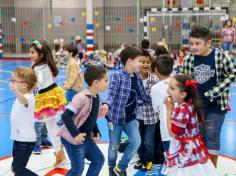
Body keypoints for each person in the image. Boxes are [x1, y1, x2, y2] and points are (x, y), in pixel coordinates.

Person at [179, 26, 236, 167]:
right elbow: (182, 80)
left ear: (208, 43)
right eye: (191, 43)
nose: (193, 47)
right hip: (196, 106)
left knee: (212, 135)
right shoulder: (188, 59)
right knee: (201, 137)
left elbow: (232, 75)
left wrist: (214, 92)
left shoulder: (221, 57)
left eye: (197, 43)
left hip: (216, 106)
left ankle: (211, 169)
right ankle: (203, 168)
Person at [102, 46, 151, 176]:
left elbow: (143, 95)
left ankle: (121, 167)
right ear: (130, 61)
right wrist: (106, 104)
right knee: (114, 146)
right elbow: (111, 94)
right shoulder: (116, 76)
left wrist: (157, 97)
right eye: (139, 61)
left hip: (130, 118)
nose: (141, 64)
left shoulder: (137, 77)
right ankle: (111, 168)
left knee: (136, 141)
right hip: (115, 119)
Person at [161, 74, 217, 176]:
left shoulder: (182, 108)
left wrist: (169, 109)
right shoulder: (191, 104)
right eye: (168, 86)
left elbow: (173, 133)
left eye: (172, 88)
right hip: (194, 144)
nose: (168, 90)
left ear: (183, 94)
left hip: (185, 148)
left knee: (184, 171)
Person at [57, 65, 108, 176]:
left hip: (86, 138)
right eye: (106, 80)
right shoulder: (81, 97)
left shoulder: (97, 97)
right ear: (96, 82)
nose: (108, 83)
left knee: (98, 160)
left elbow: (91, 117)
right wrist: (76, 135)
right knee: (77, 171)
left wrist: (96, 132)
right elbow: (65, 116)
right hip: (73, 139)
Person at [30, 40, 67, 167]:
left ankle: (59, 154)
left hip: (46, 98)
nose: (30, 55)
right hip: (52, 94)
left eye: (32, 52)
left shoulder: (37, 67)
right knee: (52, 127)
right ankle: (59, 151)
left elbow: (38, 82)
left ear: (40, 55)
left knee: (51, 128)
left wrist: (31, 84)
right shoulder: (46, 64)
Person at [9, 67, 38, 176]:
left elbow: (23, 100)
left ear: (24, 85)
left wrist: (16, 92)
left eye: (14, 81)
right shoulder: (22, 96)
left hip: (25, 141)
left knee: (19, 170)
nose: (12, 83)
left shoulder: (28, 98)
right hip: (19, 139)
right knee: (16, 167)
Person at [134, 50, 159, 172]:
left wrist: (141, 99)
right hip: (137, 116)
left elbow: (154, 98)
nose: (145, 64)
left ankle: (149, 160)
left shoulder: (154, 80)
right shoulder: (134, 78)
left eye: (147, 62)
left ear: (151, 64)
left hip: (151, 116)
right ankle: (141, 159)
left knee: (148, 141)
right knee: (139, 140)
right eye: (142, 62)